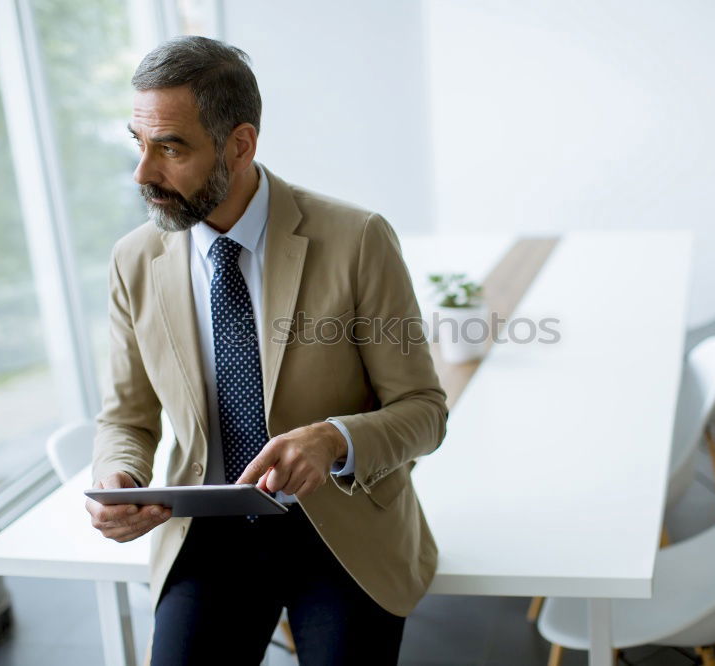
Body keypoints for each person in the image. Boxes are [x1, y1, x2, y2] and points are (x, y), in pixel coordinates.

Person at [84, 35, 448, 665]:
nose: (144, 173)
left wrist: (333, 439)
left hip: (344, 527)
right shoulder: (134, 260)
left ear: (241, 145)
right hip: (210, 531)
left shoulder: (357, 239)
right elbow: (126, 416)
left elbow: (423, 411)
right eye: (138, 144)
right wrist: (121, 475)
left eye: (171, 147)